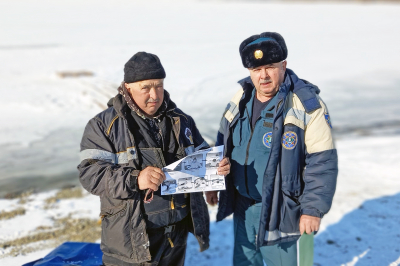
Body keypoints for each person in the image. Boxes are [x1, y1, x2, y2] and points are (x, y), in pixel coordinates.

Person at [78, 52, 230, 266]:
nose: (155, 95)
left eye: (158, 85)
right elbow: (90, 174)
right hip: (130, 241)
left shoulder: (181, 120)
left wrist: (215, 170)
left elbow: (202, 154)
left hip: (175, 238)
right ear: (128, 86)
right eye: (146, 87)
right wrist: (135, 179)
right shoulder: (103, 126)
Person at [205, 32, 338, 266]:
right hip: (243, 207)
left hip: (281, 210)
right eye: (256, 70)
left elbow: (322, 161)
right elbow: (222, 143)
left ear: (283, 65)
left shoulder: (306, 104)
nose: (263, 76)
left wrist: (312, 209)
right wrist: (213, 182)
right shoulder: (241, 97)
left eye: (270, 67)